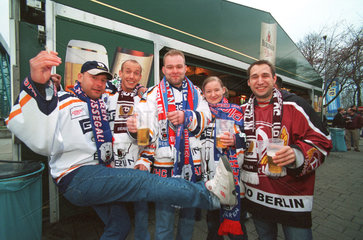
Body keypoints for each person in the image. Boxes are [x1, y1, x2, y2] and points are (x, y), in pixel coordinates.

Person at [5, 50, 237, 240]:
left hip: (125, 171)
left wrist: (182, 120)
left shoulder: (106, 100)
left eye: (103, 79)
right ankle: (211, 196)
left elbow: (203, 120)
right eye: (93, 77)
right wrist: (37, 84)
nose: (99, 83)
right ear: (79, 78)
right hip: (80, 174)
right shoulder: (64, 99)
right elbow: (34, 121)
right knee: (146, 189)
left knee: (120, 226)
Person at [241, 60, 332, 240]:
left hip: (292, 199)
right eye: (255, 77)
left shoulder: (296, 105)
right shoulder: (241, 111)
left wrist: (297, 154)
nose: (260, 81)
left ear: (274, 79)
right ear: (249, 82)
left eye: (265, 75)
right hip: (256, 195)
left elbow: (323, 140)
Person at [129, 49, 213, 240]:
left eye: (178, 66)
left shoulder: (198, 93)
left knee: (188, 219)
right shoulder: (151, 94)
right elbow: (145, 127)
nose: (174, 71)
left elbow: (207, 117)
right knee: (164, 222)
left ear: (186, 68)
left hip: (192, 165)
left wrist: (187, 116)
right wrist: (135, 128)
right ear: (163, 70)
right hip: (163, 167)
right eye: (170, 67)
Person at [106, 59, 150, 239]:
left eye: (136, 73)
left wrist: (143, 159)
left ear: (140, 76)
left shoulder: (145, 101)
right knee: (116, 213)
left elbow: (147, 138)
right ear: (121, 73)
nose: (131, 76)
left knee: (141, 210)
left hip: (136, 166)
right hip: (112, 167)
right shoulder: (107, 97)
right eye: (128, 72)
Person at [200, 76, 247, 240]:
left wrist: (236, 140)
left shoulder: (236, 110)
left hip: (231, 175)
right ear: (203, 93)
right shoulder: (201, 113)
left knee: (237, 229)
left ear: (223, 90)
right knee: (212, 225)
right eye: (208, 91)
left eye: (216, 90)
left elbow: (248, 138)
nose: (213, 94)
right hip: (210, 176)